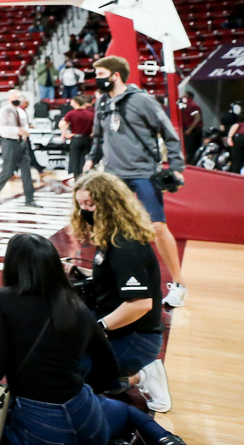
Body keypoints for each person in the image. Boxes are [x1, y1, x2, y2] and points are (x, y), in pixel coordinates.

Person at [0, 232, 184, 445]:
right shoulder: (76, 306)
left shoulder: (3, 299)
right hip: (89, 422)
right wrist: (85, 391)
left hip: (41, 430)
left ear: (13, 265)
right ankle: (165, 439)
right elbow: (108, 370)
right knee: (125, 411)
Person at [83, 55, 187, 308]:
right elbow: (97, 137)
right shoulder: (102, 103)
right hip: (113, 176)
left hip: (143, 173)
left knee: (158, 227)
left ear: (115, 75)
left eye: (100, 74)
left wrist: (176, 167)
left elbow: (169, 134)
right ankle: (110, 278)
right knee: (108, 226)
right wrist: (89, 161)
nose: (97, 80)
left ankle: (179, 284)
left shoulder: (142, 100)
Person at [71, 172, 174, 414]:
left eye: (89, 204)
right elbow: (113, 280)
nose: (84, 210)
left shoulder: (125, 245)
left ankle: (141, 376)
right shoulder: (111, 236)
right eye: (80, 205)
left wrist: (98, 329)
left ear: (109, 204)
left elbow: (140, 304)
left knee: (73, 379)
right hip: (118, 328)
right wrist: (79, 272)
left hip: (137, 337)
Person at [0, 91, 36, 206]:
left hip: (22, 143)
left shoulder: (21, 111)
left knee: (26, 171)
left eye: (18, 97)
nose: (17, 99)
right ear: (9, 98)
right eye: (14, 97)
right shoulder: (3, 111)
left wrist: (26, 133)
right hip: (9, 142)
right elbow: (1, 128)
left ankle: (30, 199)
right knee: (8, 170)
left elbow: (25, 126)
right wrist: (17, 130)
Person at [58, 95, 95, 180]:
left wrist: (65, 133)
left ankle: (75, 178)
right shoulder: (90, 114)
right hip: (87, 139)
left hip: (76, 138)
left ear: (76, 103)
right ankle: (84, 178)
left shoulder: (71, 113)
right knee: (84, 159)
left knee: (74, 159)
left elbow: (62, 124)